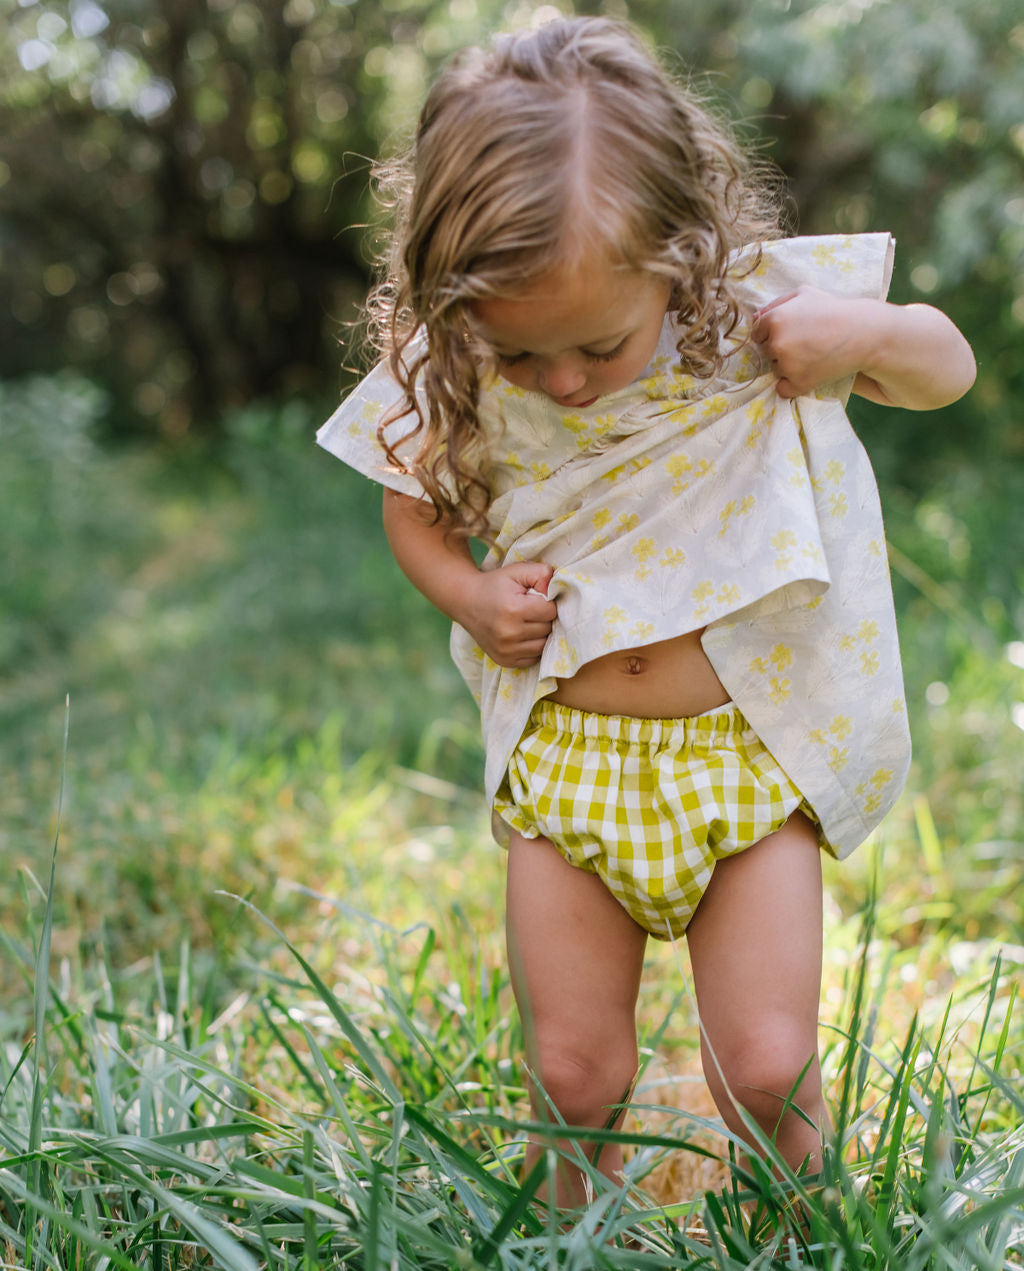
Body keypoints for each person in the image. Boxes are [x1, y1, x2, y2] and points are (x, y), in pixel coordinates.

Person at [317, 16, 976, 1207]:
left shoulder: (754, 312)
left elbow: (943, 365)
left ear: (679, 254)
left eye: (597, 345)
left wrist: (863, 335)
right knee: (572, 1074)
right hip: (566, 767)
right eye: (523, 357)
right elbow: (410, 509)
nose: (559, 382)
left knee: (768, 1071)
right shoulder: (458, 361)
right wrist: (470, 593)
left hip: (745, 760)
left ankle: (805, 1266)